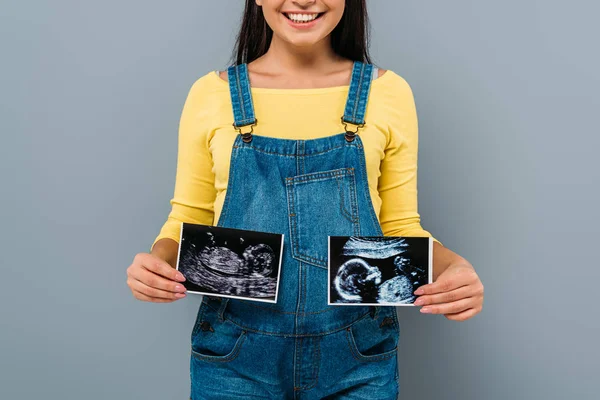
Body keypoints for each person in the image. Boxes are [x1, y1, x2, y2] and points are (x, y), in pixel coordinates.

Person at [126, 0, 484, 398]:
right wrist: (157, 263)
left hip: (357, 356)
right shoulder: (211, 94)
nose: (303, 0)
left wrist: (453, 267)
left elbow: (400, 228)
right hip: (235, 358)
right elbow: (188, 217)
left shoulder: (389, 93)